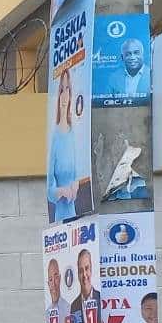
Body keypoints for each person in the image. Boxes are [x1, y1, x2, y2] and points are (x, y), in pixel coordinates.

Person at [48, 70, 91, 223]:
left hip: (76, 213)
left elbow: (78, 172)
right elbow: (50, 190)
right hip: (60, 216)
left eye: (68, 89)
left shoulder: (74, 134)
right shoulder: (54, 137)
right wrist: (62, 191)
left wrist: (76, 183)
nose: (64, 95)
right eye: (61, 90)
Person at [45, 258, 72, 323]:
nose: (53, 284)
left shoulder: (69, 309)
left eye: (56, 277)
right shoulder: (47, 313)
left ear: (60, 278)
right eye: (50, 279)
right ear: (48, 283)